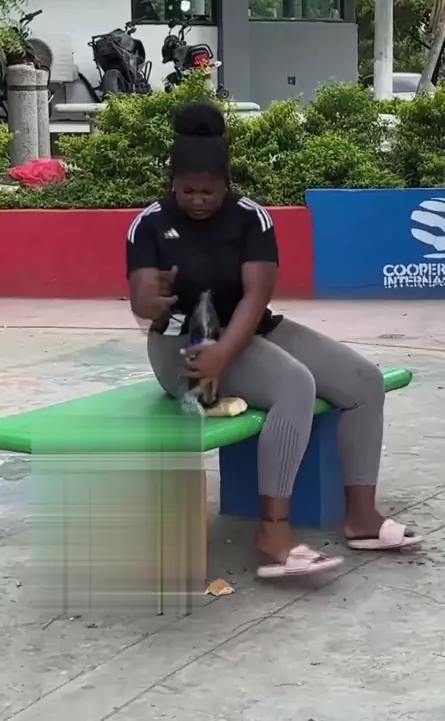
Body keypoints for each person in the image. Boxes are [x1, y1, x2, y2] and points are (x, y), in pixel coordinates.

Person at [126, 102, 422, 579]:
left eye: (208, 191)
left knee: (364, 382)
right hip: (182, 347)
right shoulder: (150, 223)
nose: (198, 200)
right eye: (187, 191)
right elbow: (142, 301)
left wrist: (226, 353)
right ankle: (274, 531)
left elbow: (256, 296)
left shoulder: (251, 219)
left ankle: (362, 517)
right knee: (294, 385)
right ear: (172, 184)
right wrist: (150, 301)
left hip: (244, 330)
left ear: (227, 184)